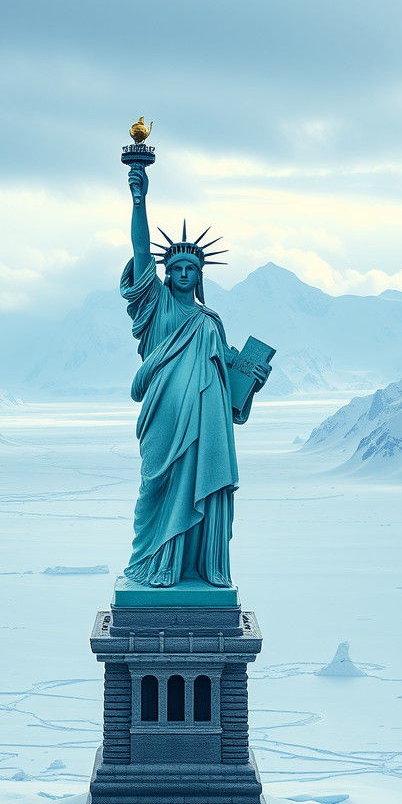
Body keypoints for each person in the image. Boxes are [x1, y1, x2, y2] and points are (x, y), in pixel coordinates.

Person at [121, 164, 270, 588]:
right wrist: (138, 198)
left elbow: (228, 380)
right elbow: (139, 252)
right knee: (157, 488)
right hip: (164, 419)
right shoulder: (157, 307)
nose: (183, 274)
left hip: (206, 426)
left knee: (198, 487)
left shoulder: (210, 322)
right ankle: (154, 560)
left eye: (191, 268)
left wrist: (252, 379)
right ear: (167, 273)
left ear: (200, 274)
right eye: (177, 267)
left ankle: (192, 566)